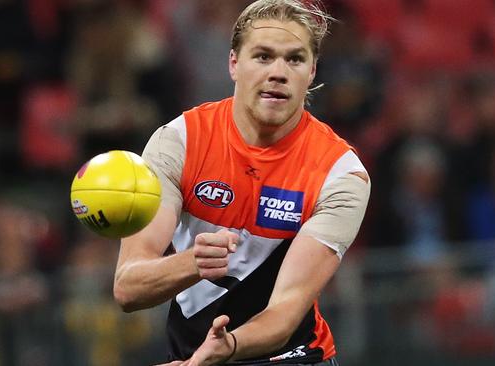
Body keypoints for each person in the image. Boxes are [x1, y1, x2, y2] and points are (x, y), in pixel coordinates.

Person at [113, 1, 371, 365]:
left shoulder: (341, 174)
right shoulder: (180, 142)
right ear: (234, 63)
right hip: (191, 359)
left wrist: (226, 348)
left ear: (312, 71)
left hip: (289, 357)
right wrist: (193, 263)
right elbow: (128, 286)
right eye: (263, 57)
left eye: (294, 60)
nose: (278, 72)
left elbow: (284, 313)